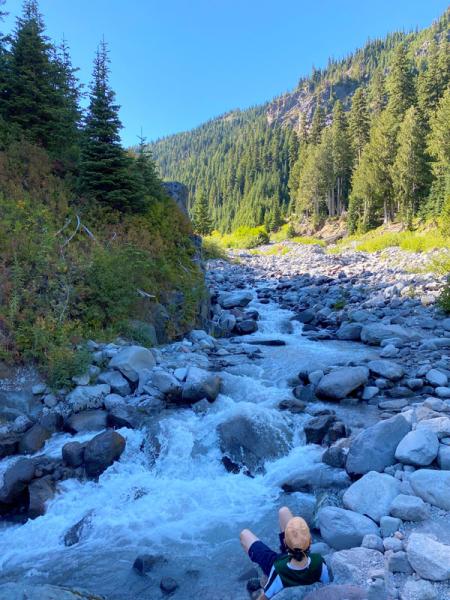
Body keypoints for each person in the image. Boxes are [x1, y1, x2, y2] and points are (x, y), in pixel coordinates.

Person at [240, 506, 330, 599]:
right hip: (293, 558)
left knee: (244, 534)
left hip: (276, 563)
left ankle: (267, 572)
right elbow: (327, 585)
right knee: (284, 511)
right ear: (310, 541)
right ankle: (297, 541)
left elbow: (266, 596)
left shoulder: (278, 570)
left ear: (284, 542)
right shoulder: (319, 561)